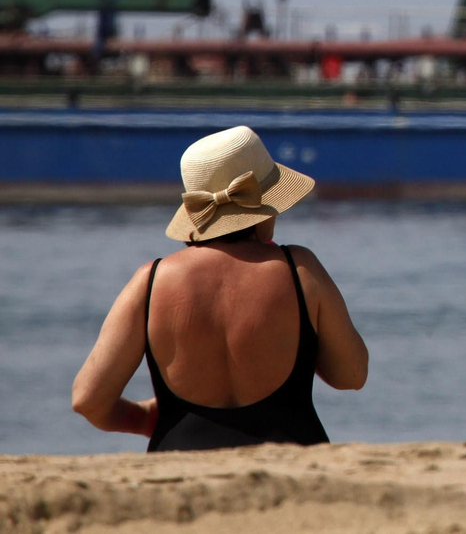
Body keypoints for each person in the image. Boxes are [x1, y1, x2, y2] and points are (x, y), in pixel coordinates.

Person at [72, 126, 368, 450]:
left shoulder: (151, 281)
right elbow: (351, 376)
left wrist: (142, 419)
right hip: (296, 462)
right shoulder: (300, 269)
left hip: (181, 469)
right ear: (264, 206)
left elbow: (88, 400)